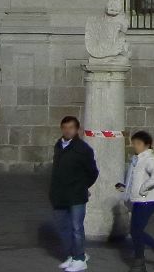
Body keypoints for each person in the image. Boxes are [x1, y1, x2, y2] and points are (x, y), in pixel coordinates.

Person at [115, 131, 154, 270]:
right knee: (136, 230)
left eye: (139, 143)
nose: (135, 146)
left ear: (147, 145)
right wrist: (125, 189)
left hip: (147, 201)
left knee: (136, 231)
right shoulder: (137, 159)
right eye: (134, 143)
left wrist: (143, 189)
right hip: (140, 201)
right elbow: (134, 179)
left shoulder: (148, 159)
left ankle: (140, 261)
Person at [48, 115, 98, 271]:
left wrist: (81, 186)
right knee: (63, 227)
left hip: (76, 195)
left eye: (71, 127)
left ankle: (79, 258)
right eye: (65, 127)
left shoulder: (83, 149)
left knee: (77, 228)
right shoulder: (58, 145)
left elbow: (92, 172)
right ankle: (72, 255)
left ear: (77, 130)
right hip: (59, 194)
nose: (67, 130)